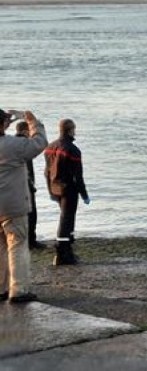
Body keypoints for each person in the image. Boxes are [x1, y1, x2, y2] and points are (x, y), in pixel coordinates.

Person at [0, 109, 47, 303]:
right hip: (12, 205)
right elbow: (39, 143)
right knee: (17, 245)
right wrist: (31, 119)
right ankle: (18, 290)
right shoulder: (13, 145)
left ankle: (1, 288)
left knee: (0, 248)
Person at [45, 118, 90, 266]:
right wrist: (84, 194)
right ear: (71, 130)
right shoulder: (73, 150)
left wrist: (49, 190)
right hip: (68, 188)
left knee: (66, 218)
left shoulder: (50, 147)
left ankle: (67, 250)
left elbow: (46, 171)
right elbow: (78, 176)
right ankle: (62, 252)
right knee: (67, 219)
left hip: (54, 187)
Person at [15, 120, 47, 250]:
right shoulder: (24, 145)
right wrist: (31, 185)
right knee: (31, 214)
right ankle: (31, 241)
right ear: (24, 131)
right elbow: (25, 169)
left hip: (16, 187)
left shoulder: (12, 143)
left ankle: (26, 240)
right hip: (25, 186)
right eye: (29, 132)